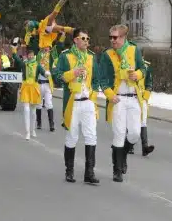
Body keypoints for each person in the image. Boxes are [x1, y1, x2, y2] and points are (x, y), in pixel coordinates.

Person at [100, 24, 146, 182]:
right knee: (119, 133)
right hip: (117, 98)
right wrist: (109, 94)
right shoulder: (107, 55)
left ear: (123, 37)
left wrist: (138, 74)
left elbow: (143, 69)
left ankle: (124, 153)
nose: (112, 40)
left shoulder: (134, 50)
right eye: (111, 37)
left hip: (133, 97)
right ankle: (117, 170)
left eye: (116, 37)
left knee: (134, 134)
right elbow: (103, 79)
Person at [54, 28, 100, 184]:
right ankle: (69, 171)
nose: (86, 41)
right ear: (75, 40)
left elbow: (96, 79)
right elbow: (57, 76)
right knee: (72, 136)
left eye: (88, 38)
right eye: (83, 38)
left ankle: (89, 172)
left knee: (91, 135)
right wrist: (72, 74)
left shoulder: (92, 57)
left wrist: (93, 92)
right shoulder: (66, 56)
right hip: (72, 102)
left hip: (88, 101)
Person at [11, 39, 46, 140]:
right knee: (26, 109)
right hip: (26, 87)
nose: (30, 56)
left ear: (34, 56)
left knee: (33, 111)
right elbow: (16, 59)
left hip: (34, 88)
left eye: (32, 55)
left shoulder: (37, 65)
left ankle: (33, 129)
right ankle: (27, 132)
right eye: (29, 55)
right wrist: (14, 50)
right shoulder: (24, 64)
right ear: (27, 56)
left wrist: (47, 74)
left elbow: (43, 72)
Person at [35, 32, 66, 131]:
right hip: (39, 83)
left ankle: (51, 124)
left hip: (48, 84)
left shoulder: (52, 54)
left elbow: (60, 46)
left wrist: (63, 35)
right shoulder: (39, 54)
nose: (46, 48)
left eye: (48, 46)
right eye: (45, 46)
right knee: (38, 104)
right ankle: (39, 123)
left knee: (49, 104)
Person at [127, 57, 155, 156]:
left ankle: (145, 148)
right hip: (132, 97)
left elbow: (149, 83)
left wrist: (146, 97)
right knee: (131, 121)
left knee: (143, 122)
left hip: (142, 98)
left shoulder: (146, 67)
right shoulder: (129, 66)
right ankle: (130, 146)